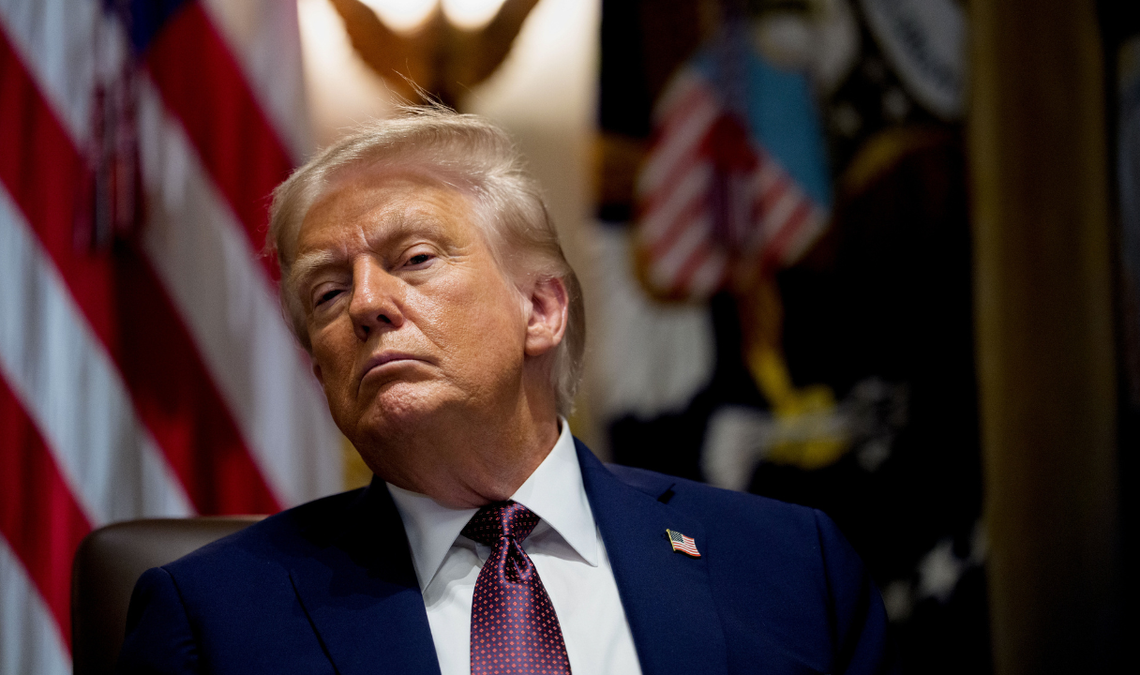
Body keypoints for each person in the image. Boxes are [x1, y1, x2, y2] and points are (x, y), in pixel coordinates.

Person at [117, 108, 893, 675]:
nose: (364, 303)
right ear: (320, 369)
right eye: (324, 295)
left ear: (542, 309)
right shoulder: (212, 620)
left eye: (414, 257)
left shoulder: (792, 565)